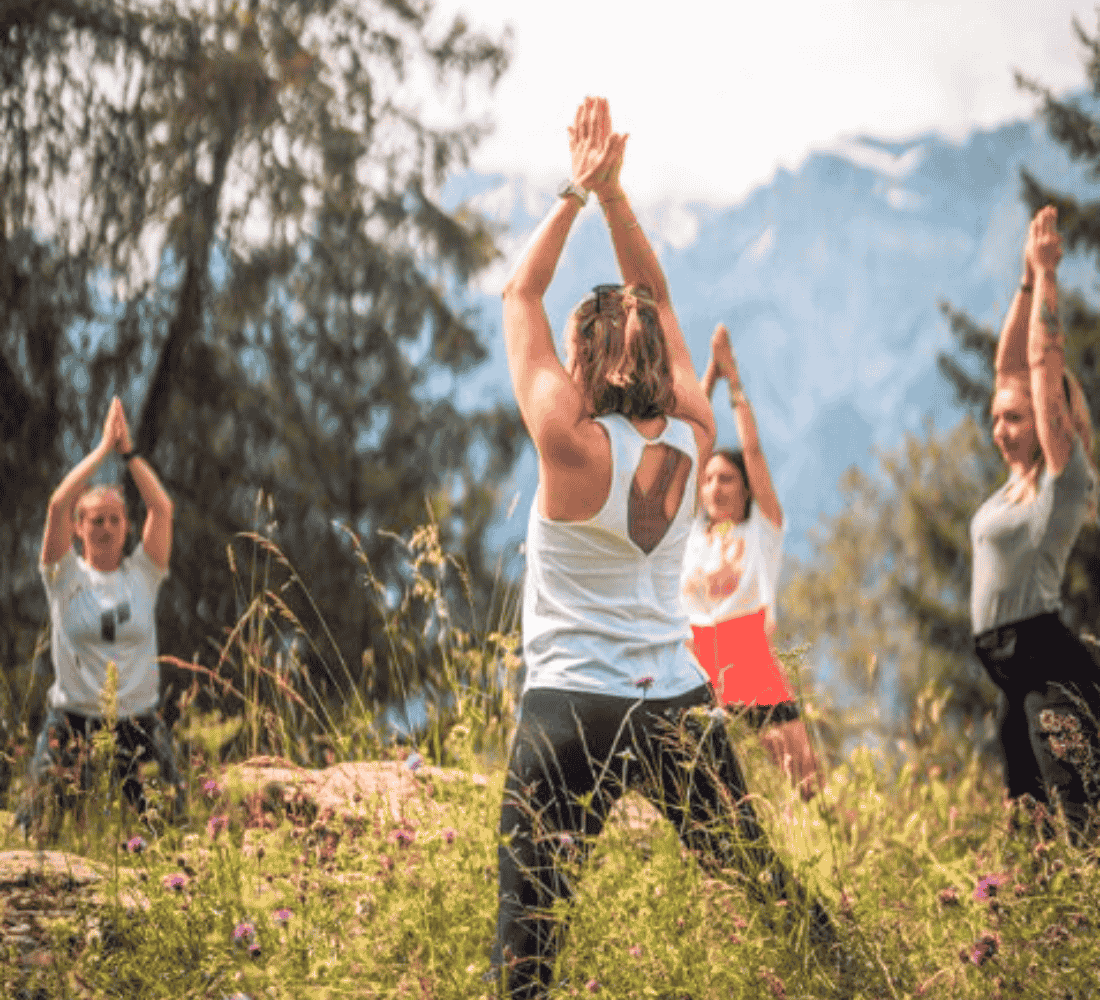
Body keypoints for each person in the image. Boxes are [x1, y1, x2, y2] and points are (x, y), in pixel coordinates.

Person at [493, 96, 836, 999]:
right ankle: (850, 978)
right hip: (673, 705)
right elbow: (663, 296)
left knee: (526, 944)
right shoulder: (693, 429)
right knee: (762, 884)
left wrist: (574, 188)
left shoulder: (567, 445)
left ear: (583, 365)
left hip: (569, 711)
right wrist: (616, 199)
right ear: (651, 361)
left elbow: (517, 295)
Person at [972, 205, 1100, 836]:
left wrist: (1048, 276)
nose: (1002, 427)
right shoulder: (1010, 489)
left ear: (1055, 422)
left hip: (1045, 664)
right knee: (1027, 823)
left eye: (1015, 419)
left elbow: (1040, 369)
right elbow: (1008, 372)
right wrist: (1023, 281)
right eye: (997, 418)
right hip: (1012, 673)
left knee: (1077, 818)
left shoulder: (1062, 479)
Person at [22, 395, 182, 832]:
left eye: (114, 519)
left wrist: (127, 453)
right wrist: (101, 450)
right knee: (35, 832)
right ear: (80, 528)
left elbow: (162, 509)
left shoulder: (143, 574)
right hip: (71, 723)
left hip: (138, 724)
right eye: (96, 520)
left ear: (126, 526)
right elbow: (57, 504)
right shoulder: (64, 576)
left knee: (171, 831)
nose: (106, 528)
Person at [681, 323, 824, 799]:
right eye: (708, 480)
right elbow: (687, 450)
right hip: (695, 659)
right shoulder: (688, 536)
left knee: (806, 783)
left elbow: (754, 453)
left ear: (745, 489)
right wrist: (706, 378)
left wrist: (734, 380)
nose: (715, 487)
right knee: (695, 786)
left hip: (747, 652)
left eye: (726, 479)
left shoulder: (761, 530)